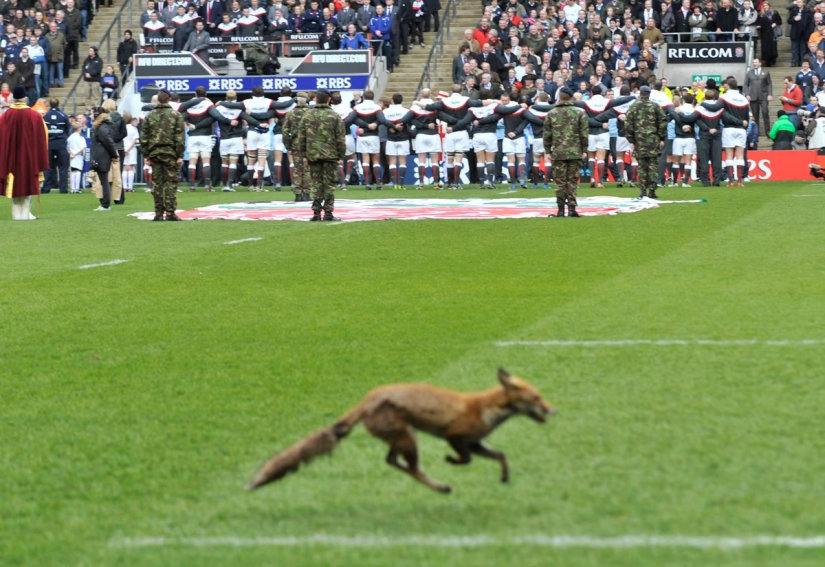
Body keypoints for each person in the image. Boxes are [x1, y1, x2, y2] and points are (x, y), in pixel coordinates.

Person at [0, 84, 49, 220]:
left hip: (11, 158)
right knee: (27, 185)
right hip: (29, 158)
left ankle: (17, 215)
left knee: (14, 187)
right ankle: (25, 214)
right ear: (25, 99)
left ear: (13, 99)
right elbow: (42, 138)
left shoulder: (4, 117)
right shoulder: (35, 116)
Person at [295, 90, 346, 221]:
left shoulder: (307, 115)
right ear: (329, 100)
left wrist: (303, 154)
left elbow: (301, 137)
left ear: (316, 99)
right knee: (329, 184)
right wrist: (341, 156)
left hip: (313, 155)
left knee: (316, 183)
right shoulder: (334, 116)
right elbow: (340, 138)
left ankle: (316, 213)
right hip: (330, 155)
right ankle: (328, 212)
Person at [142, 89, 186, 221]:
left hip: (155, 153)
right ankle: (171, 213)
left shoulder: (149, 115)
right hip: (170, 153)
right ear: (169, 99)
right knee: (171, 183)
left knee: (157, 183)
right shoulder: (176, 115)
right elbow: (179, 138)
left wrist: (146, 155)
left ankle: (158, 213)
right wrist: (179, 155)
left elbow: (144, 137)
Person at [544, 86, 587, 217]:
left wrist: (548, 150)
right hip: (575, 152)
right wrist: (584, 149)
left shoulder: (551, 113)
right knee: (572, 181)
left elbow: (547, 134)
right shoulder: (580, 112)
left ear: (559, 97)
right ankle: (572, 209)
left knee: (560, 182)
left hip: (558, 152)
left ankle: (561, 209)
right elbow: (584, 134)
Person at [625, 85, 666, 199]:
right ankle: (652, 191)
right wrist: (661, 137)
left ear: (640, 93)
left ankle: (643, 191)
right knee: (653, 166)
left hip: (639, 140)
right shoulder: (655, 106)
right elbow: (663, 122)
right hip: (653, 139)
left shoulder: (633, 107)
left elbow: (628, 124)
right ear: (649, 94)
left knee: (642, 166)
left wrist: (632, 139)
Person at [280, 91, 313, 202]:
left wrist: (288, 146)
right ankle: (307, 194)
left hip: (296, 144)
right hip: (309, 145)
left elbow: (285, 132)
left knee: (297, 169)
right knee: (307, 169)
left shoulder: (291, 113)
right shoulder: (311, 113)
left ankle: (298, 194)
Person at [90, 105, 119, 211]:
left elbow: (108, 142)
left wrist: (114, 155)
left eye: (92, 113)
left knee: (104, 181)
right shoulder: (103, 126)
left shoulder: (101, 128)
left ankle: (105, 204)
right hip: (102, 156)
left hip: (102, 156)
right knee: (103, 180)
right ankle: (104, 204)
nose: (90, 115)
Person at [43, 97, 70, 194]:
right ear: (58, 104)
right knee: (63, 167)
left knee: (48, 167)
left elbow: (42, 131)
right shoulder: (63, 116)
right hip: (61, 145)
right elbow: (68, 130)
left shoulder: (45, 116)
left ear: (50, 104)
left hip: (49, 145)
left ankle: (46, 188)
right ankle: (63, 189)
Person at [745, 58, 772, 135]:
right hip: (753, 96)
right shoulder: (749, 73)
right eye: (753, 62)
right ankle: (756, 132)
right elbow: (746, 84)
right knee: (755, 115)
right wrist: (747, 94)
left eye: (756, 62)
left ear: (760, 63)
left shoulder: (766, 72)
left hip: (763, 96)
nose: (754, 64)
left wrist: (769, 94)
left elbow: (769, 84)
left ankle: (767, 131)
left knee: (765, 113)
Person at [82, 46, 102, 114]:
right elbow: (83, 68)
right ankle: (88, 109)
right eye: (89, 51)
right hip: (87, 80)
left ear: (94, 52)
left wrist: (91, 74)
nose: (89, 52)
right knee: (87, 95)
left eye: (91, 51)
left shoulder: (99, 60)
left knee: (96, 95)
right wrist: (85, 74)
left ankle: (97, 108)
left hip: (95, 80)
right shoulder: (86, 60)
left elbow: (98, 69)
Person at [67, 122, 86, 193]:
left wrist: (71, 154)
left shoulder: (70, 137)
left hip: (72, 156)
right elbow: (83, 148)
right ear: (78, 128)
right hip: (78, 156)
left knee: (73, 171)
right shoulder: (80, 138)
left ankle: (73, 188)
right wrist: (75, 153)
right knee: (77, 171)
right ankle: (77, 188)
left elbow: (67, 147)